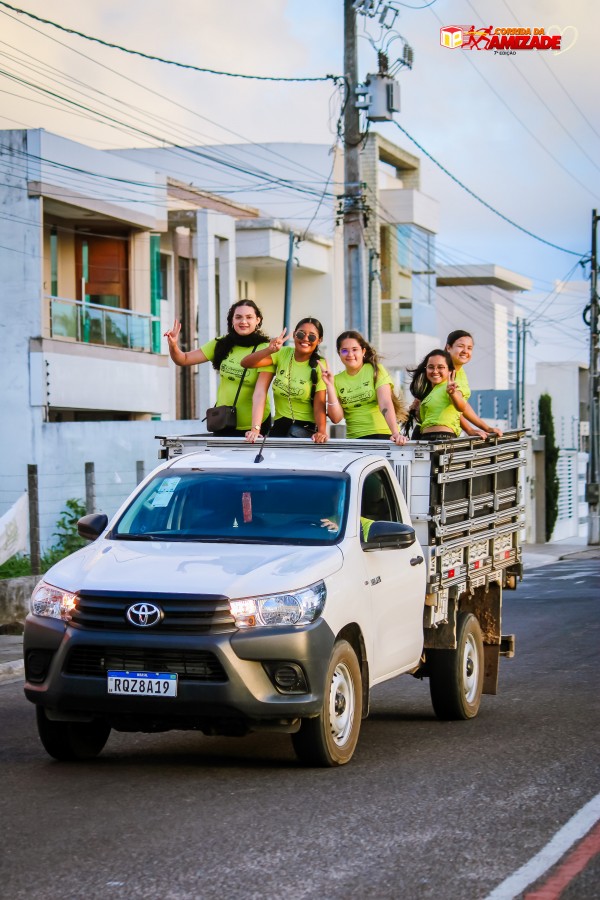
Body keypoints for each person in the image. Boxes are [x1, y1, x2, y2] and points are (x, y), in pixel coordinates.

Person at [163, 300, 273, 436]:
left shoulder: (266, 349)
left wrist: (255, 428)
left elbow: (260, 392)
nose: (243, 321)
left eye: (249, 317)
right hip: (224, 420)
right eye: (238, 317)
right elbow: (183, 359)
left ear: (258, 320)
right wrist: (173, 345)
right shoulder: (221, 343)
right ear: (232, 320)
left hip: (255, 425)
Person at [241, 317, 328, 443]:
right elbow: (246, 363)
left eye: (312, 337)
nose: (305, 339)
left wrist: (322, 431)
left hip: (304, 430)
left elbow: (320, 404)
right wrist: (269, 350)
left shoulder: (320, 365)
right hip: (279, 426)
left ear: (319, 340)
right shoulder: (283, 353)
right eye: (301, 334)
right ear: (294, 334)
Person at [322, 330, 408, 444]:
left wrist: (395, 433)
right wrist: (330, 386)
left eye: (354, 349)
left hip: (384, 435)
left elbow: (385, 403)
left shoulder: (376, 370)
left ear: (363, 351)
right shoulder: (335, 380)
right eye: (344, 350)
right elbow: (336, 418)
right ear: (339, 354)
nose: (350, 354)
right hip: (355, 440)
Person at [445, 330, 503, 438]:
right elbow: (449, 407)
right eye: (460, 346)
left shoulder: (460, 372)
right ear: (448, 348)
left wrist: (486, 428)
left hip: (450, 432)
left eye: (469, 348)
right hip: (436, 435)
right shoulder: (442, 371)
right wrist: (469, 429)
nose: (465, 351)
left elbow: (462, 405)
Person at [407, 348, 468, 439]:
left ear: (450, 371)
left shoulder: (451, 386)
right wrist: (416, 411)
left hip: (443, 437)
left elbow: (461, 407)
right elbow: (428, 421)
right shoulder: (429, 392)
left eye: (440, 367)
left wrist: (453, 394)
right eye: (431, 367)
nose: (435, 371)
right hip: (426, 437)